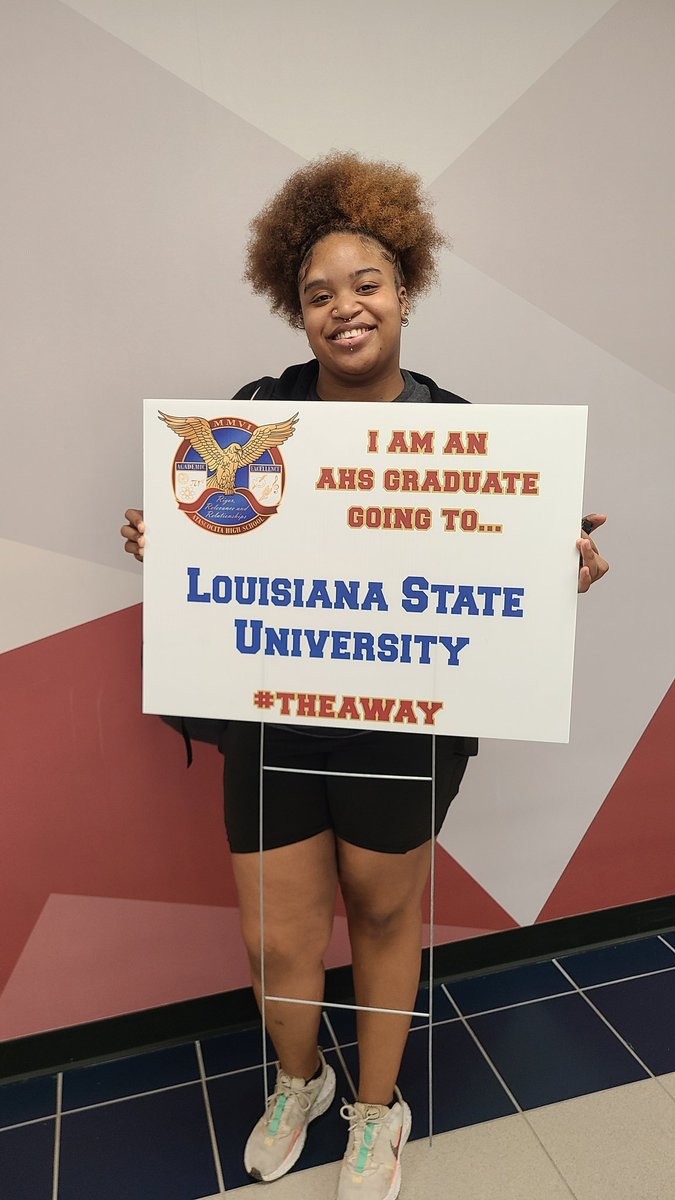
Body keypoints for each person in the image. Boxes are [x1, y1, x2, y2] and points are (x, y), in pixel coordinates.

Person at [122, 152, 608, 1199]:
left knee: (386, 919)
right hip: (275, 722)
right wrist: (171, 540)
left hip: (403, 728)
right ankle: (299, 1081)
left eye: (367, 284)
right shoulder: (252, 416)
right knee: (274, 935)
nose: (344, 308)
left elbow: (490, 588)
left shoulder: (469, 437)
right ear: (294, 311)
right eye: (318, 294)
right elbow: (224, 544)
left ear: (406, 289)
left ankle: (378, 1112)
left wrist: (549, 568)